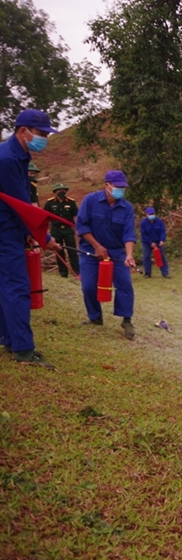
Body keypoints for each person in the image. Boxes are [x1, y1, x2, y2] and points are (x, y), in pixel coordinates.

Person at [0, 108, 59, 368]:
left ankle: (9, 338)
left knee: (5, 286)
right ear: (23, 131)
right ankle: (23, 349)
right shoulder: (7, 158)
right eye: (41, 133)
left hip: (9, 226)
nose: (44, 137)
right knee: (16, 286)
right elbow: (22, 206)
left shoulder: (17, 154)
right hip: (5, 230)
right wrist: (44, 238)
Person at [77, 170, 137, 339]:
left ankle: (126, 319)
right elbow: (82, 227)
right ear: (107, 185)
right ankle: (95, 317)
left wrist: (129, 255)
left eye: (123, 187)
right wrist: (96, 246)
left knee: (124, 284)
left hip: (116, 251)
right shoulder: (90, 200)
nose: (121, 190)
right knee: (88, 286)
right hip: (90, 250)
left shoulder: (127, 208)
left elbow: (129, 234)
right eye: (117, 187)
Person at [43, 183, 79, 278]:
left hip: (68, 229)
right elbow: (45, 217)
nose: (61, 192)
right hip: (56, 230)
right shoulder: (50, 203)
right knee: (59, 250)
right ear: (55, 192)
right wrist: (45, 230)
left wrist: (78, 229)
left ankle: (77, 272)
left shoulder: (71, 202)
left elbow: (75, 216)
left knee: (72, 251)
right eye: (59, 191)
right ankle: (63, 273)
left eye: (63, 190)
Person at [140, 207, 169, 279]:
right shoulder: (143, 223)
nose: (151, 215)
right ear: (146, 214)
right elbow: (143, 234)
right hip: (147, 243)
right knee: (146, 257)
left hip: (158, 242)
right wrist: (150, 243)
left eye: (153, 214)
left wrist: (162, 240)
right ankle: (147, 273)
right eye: (150, 214)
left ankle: (165, 273)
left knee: (161, 257)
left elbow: (162, 231)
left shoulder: (159, 221)